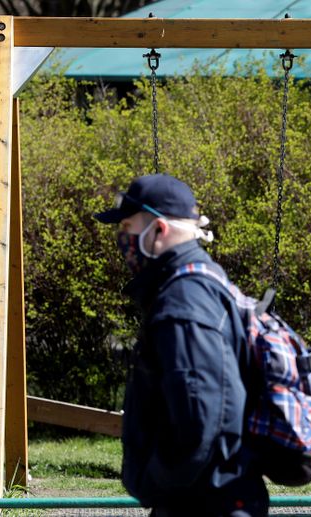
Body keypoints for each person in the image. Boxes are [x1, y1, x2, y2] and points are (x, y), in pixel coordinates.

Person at [94, 174, 268, 517]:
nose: (121, 238)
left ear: (158, 231)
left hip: (202, 505)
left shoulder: (184, 300)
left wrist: (153, 483)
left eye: (127, 227)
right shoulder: (204, 280)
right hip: (211, 498)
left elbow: (198, 420)